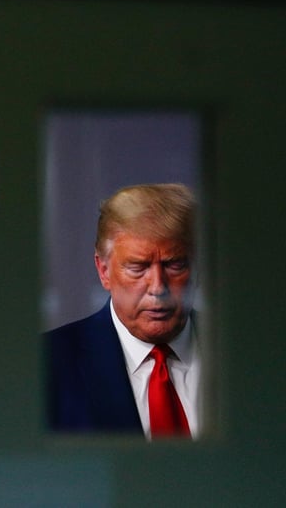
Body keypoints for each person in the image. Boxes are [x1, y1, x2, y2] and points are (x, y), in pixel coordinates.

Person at [46, 183, 201, 439]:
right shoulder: (48, 365)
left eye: (174, 265)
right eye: (138, 267)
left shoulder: (246, 355)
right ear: (104, 270)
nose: (158, 287)